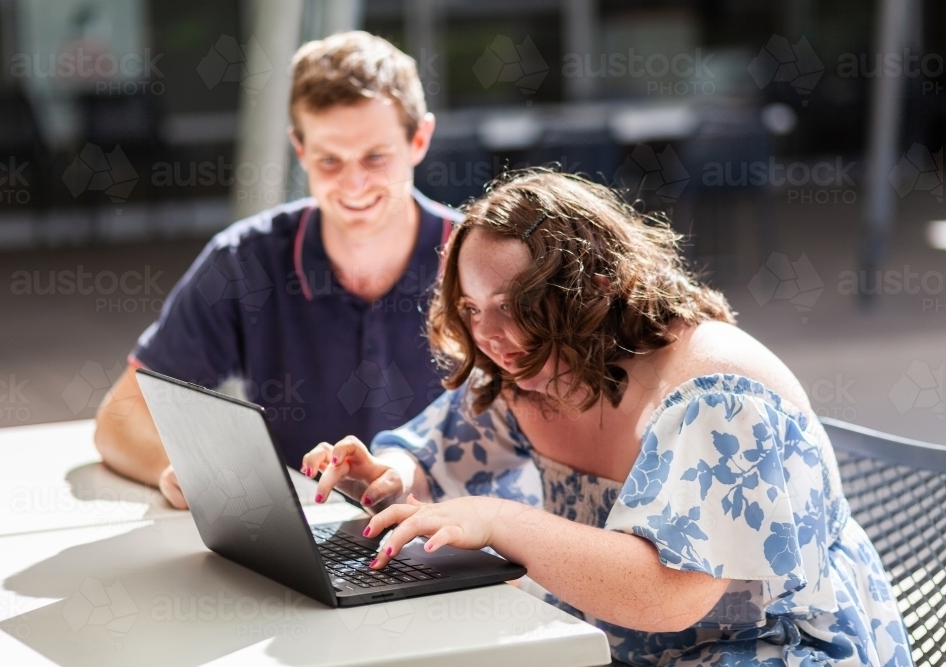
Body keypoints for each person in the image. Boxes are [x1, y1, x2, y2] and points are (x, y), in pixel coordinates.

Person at [303, 170, 913, 666]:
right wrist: (389, 474)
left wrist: (495, 520)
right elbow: (433, 454)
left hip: (767, 650)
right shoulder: (538, 370)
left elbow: (668, 594)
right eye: (472, 308)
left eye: (519, 306)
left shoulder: (717, 393)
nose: (490, 335)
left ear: (596, 288)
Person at [94, 31, 460, 510]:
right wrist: (190, 470)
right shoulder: (246, 261)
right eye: (330, 159)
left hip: (457, 546)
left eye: (375, 156)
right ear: (300, 150)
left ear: (419, 139)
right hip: (303, 546)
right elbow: (120, 419)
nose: (354, 184)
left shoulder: (477, 260)